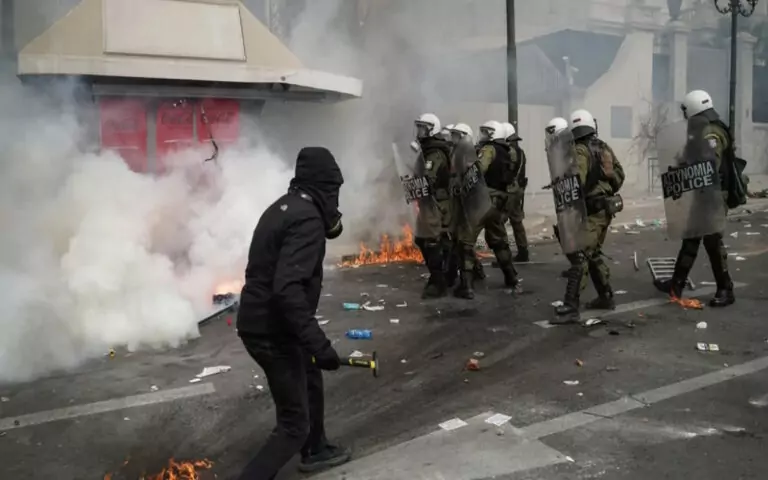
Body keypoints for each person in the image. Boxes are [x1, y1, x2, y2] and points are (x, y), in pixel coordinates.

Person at [236, 147, 350, 479]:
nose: (335, 200)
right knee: (293, 425)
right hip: (272, 330)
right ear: (324, 187)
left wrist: (310, 346)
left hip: (265, 322)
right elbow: (287, 288)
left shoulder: (280, 209)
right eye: (333, 190)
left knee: (309, 374)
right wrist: (319, 344)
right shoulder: (308, 220)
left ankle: (316, 448)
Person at [653, 90, 735, 307]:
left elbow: (710, 162)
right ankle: (676, 286)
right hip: (701, 194)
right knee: (690, 238)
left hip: (713, 196)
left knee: (712, 241)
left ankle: (726, 289)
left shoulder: (712, 132)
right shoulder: (702, 131)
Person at [553, 110, 625, 324]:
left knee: (580, 254)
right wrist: (607, 180)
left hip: (592, 210)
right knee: (592, 254)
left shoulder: (580, 151)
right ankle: (606, 297)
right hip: (605, 209)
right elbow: (620, 176)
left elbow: (578, 182)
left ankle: (570, 306)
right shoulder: (604, 147)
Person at [412, 113, 454, 298]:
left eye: (423, 128)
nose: (419, 131)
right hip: (430, 201)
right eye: (418, 127)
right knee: (433, 240)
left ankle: (438, 282)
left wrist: (415, 185)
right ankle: (446, 275)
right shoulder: (428, 150)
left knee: (429, 240)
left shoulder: (434, 153)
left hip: (435, 202)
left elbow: (429, 179)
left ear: (431, 129)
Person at [474, 120, 519, 288]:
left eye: (486, 132)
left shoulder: (488, 150)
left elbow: (479, 171)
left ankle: (467, 283)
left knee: (464, 239)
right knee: (499, 241)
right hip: (499, 202)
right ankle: (510, 276)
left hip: (484, 201)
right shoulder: (509, 152)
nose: (483, 135)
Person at [449, 122, 490, 298]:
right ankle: (477, 273)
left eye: (456, 135)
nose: (452, 139)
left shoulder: (467, 156)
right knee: (463, 242)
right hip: (473, 206)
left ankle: (467, 287)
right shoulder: (462, 154)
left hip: (473, 207)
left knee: (464, 244)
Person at [503, 123, 530, 262]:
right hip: (518, 190)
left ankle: (504, 255)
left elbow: (507, 172)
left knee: (499, 221)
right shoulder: (520, 152)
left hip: (509, 191)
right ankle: (523, 250)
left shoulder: (510, 152)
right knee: (517, 221)